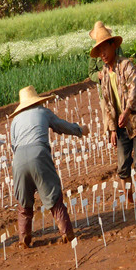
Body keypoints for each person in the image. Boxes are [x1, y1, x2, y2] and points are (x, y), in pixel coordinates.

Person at [10, 86, 88, 247]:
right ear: (36, 101)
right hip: (39, 153)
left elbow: (14, 146)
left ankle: (24, 239)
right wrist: (79, 130)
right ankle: (67, 234)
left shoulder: (15, 120)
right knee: (54, 199)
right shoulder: (42, 112)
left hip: (18, 160)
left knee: (24, 204)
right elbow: (61, 126)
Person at [90, 22, 136, 203]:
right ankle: (131, 203)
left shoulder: (126, 66)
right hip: (120, 125)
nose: (102, 54)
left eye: (104, 49)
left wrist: (126, 112)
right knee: (123, 167)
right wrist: (111, 129)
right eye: (99, 51)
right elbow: (108, 104)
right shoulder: (104, 74)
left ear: (113, 46)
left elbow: (134, 90)